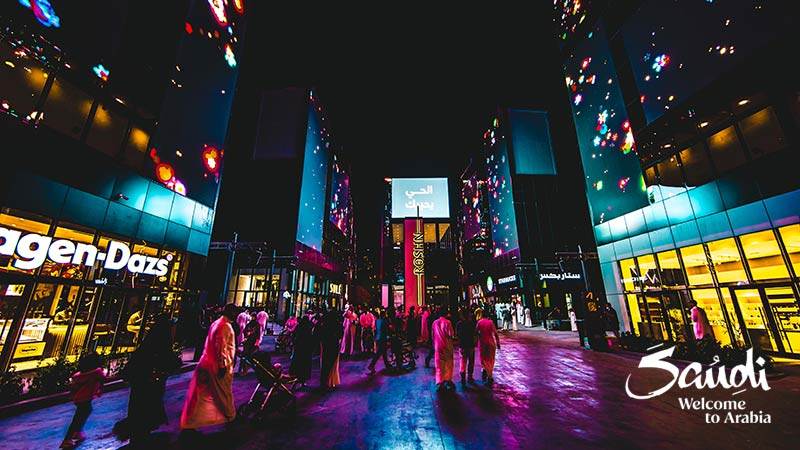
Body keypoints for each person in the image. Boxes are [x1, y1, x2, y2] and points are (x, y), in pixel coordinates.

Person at [123, 315, 181, 445]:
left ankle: (138, 436)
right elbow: (172, 362)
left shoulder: (149, 343)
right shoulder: (160, 345)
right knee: (145, 412)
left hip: (142, 387)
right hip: (150, 386)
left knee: (140, 412)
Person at [180, 304, 237, 430]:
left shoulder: (216, 323)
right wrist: (223, 365)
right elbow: (220, 347)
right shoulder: (225, 326)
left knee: (199, 395)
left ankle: (190, 421)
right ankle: (231, 417)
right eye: (234, 312)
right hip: (216, 366)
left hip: (206, 362)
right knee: (223, 394)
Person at [60, 352, 106, 449]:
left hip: (79, 399)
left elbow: (73, 387)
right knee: (78, 419)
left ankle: (77, 433)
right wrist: (100, 389)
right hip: (85, 398)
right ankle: (68, 439)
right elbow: (103, 379)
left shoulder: (78, 375)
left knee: (83, 414)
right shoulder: (97, 372)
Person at [317, 309, 343, 389]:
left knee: (325, 363)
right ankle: (330, 381)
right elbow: (340, 334)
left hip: (326, 345)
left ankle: (324, 381)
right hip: (334, 345)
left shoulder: (324, 324)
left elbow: (320, 334)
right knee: (332, 364)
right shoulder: (337, 324)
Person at [432, 309, 456, 392]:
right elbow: (451, 334)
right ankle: (447, 379)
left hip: (437, 346)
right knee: (448, 363)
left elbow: (433, 335)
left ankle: (440, 382)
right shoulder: (448, 322)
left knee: (439, 364)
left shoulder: (435, 322)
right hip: (447, 346)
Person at [476, 308, 500, 387]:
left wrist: (476, 341)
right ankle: (489, 375)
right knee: (491, 359)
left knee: (484, 359)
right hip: (491, 343)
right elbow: (495, 334)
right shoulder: (491, 322)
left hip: (482, 343)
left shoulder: (479, 322)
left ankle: (485, 370)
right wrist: (498, 343)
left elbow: (476, 333)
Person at [289, 316, 315, 385]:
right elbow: (312, 338)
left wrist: (294, 342)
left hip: (298, 347)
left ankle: (295, 377)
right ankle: (303, 380)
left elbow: (294, 335)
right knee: (305, 364)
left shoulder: (299, 326)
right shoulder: (309, 328)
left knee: (297, 362)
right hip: (306, 348)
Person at [367, 309, 393, 373]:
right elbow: (387, 330)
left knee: (383, 352)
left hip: (378, 338)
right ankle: (371, 365)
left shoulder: (377, 321)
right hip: (383, 338)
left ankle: (387, 365)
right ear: (384, 315)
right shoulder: (384, 321)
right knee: (379, 353)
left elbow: (376, 330)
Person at [456, 309, 477, 387]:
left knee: (463, 361)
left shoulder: (459, 324)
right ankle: (470, 376)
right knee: (471, 361)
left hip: (462, 345)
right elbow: (475, 334)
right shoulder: (471, 324)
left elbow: (457, 334)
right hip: (470, 345)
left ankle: (463, 377)